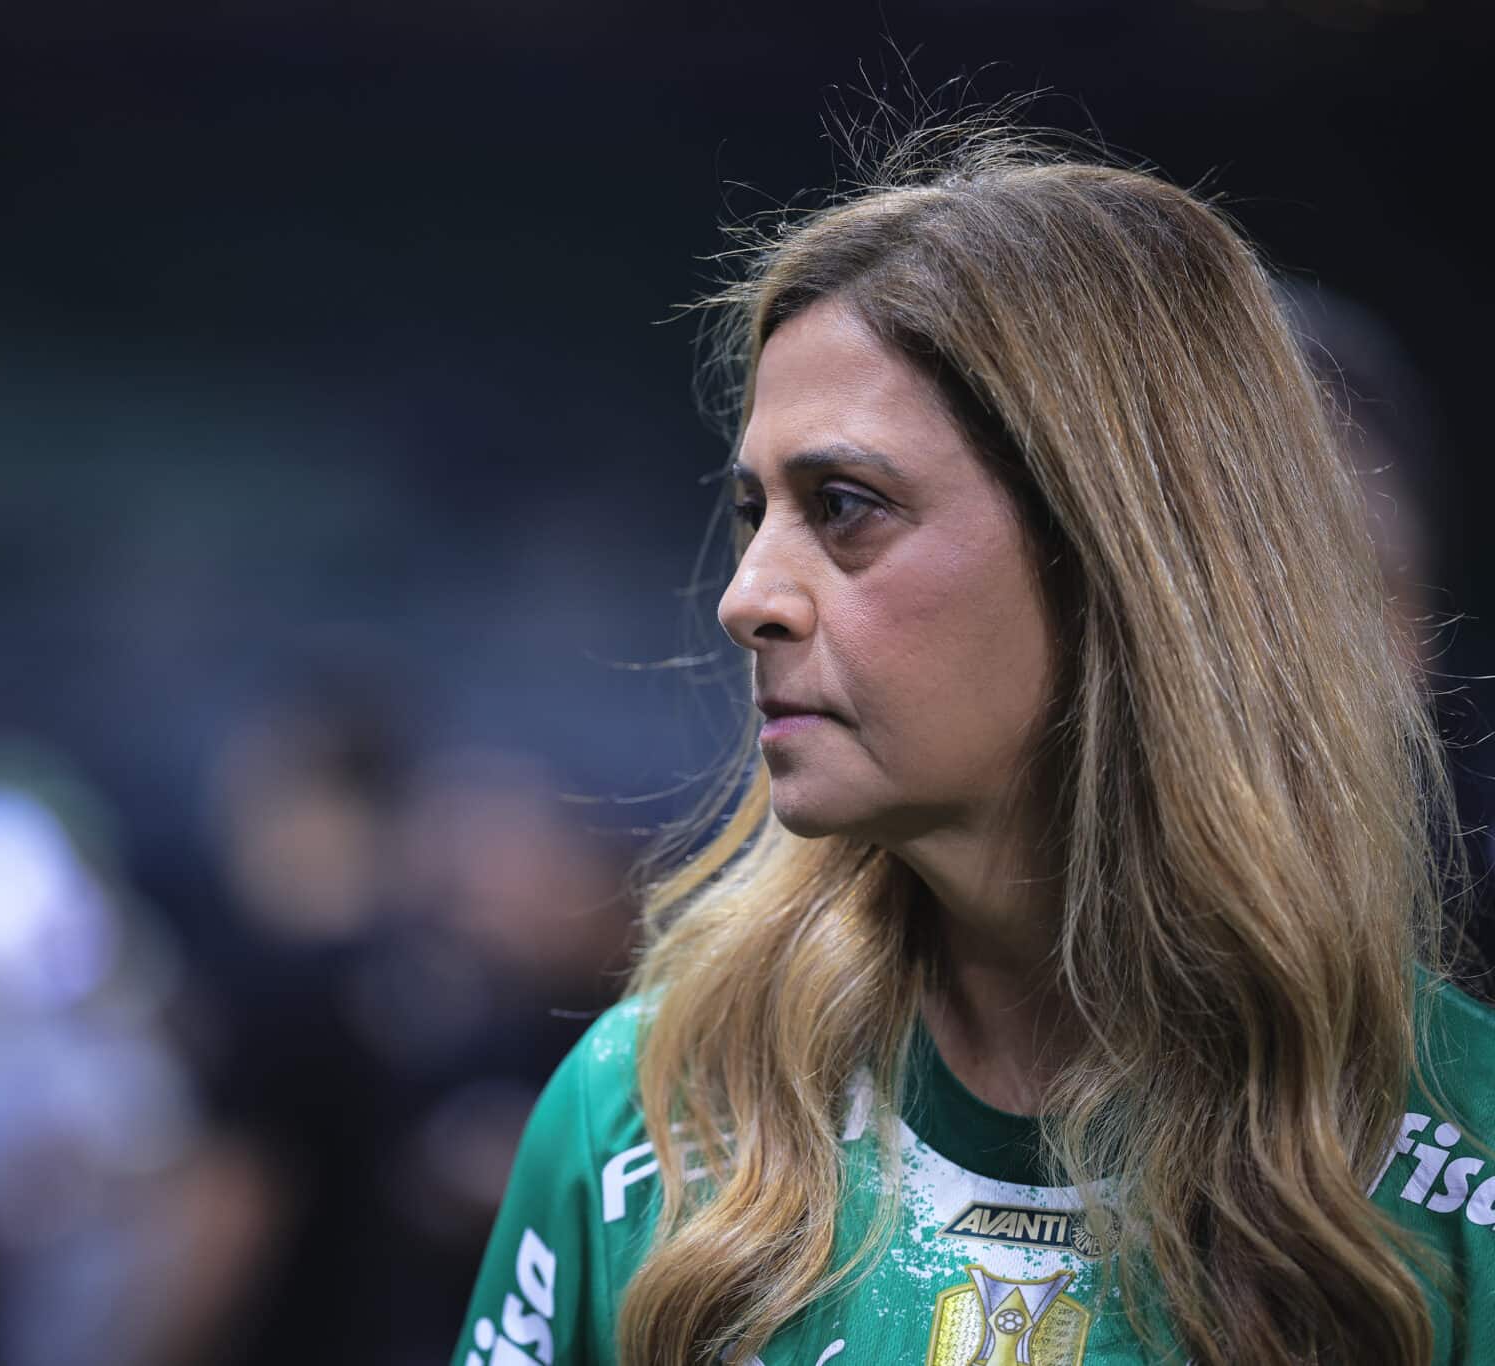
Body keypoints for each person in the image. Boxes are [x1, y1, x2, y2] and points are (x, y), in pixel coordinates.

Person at [452, 122, 1495, 1366]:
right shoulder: (644, 1117)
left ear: (1121, 560)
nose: (746, 595)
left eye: (844, 507)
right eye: (752, 510)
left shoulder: (1460, 1166)